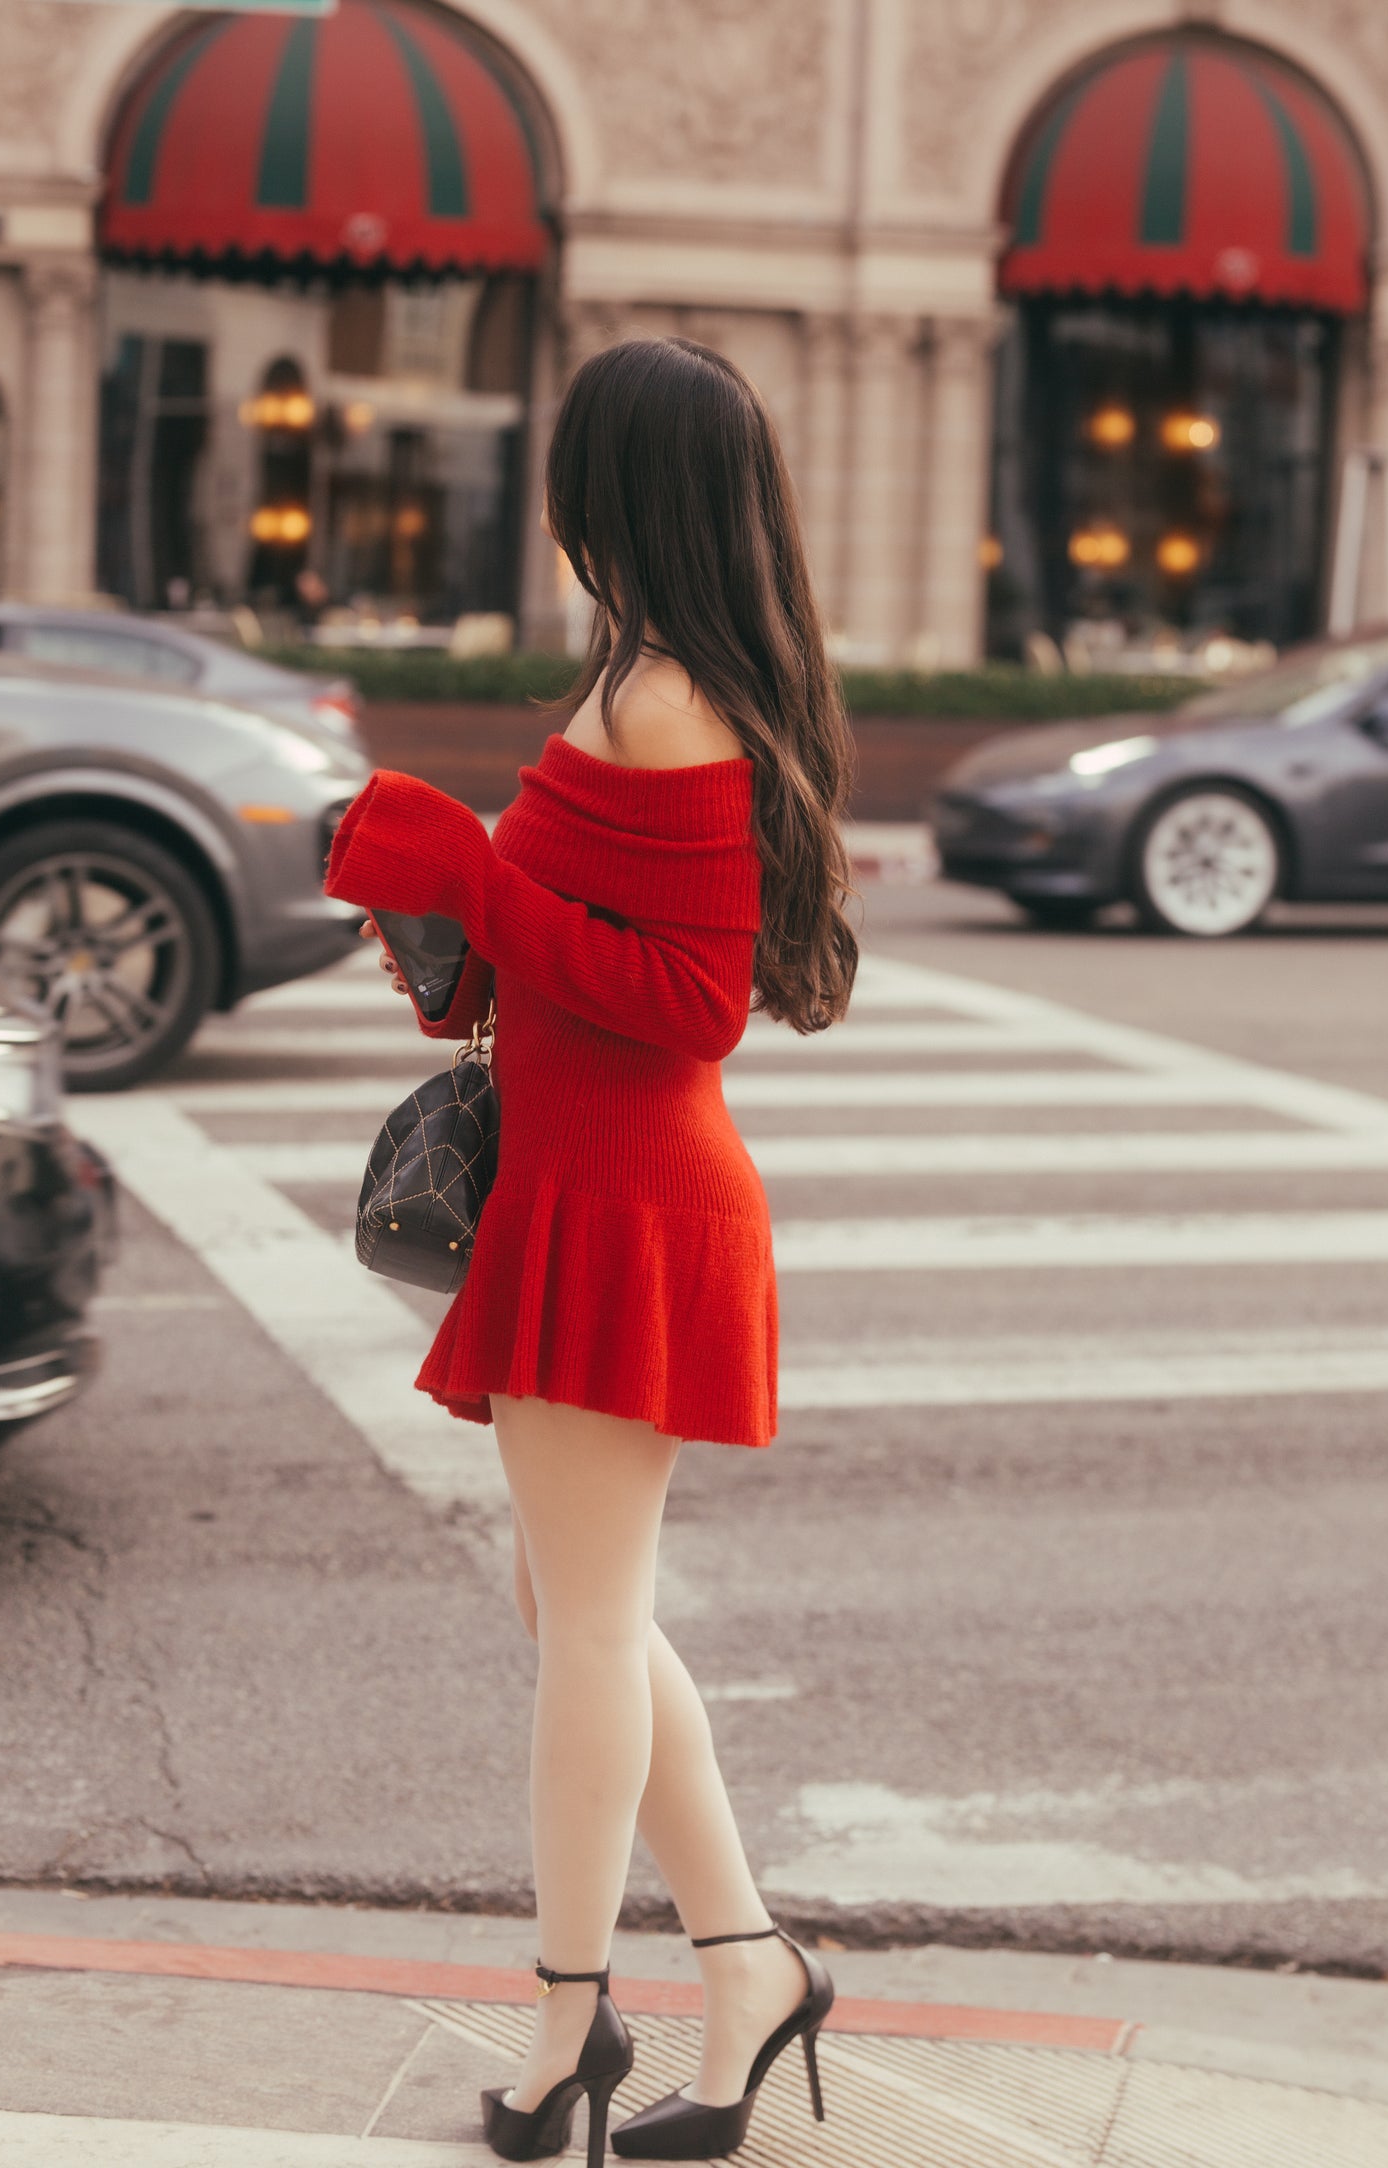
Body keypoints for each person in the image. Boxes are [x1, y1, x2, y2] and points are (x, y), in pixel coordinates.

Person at [324, 336, 858, 2167]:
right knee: (580, 1615)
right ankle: (746, 1966)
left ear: (607, 491)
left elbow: (689, 1001)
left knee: (583, 1632)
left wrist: (470, 874)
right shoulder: (640, 678)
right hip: (583, 1183)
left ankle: (565, 2030)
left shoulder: (667, 695)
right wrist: (443, 919)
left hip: (628, 1198)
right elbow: (576, 950)